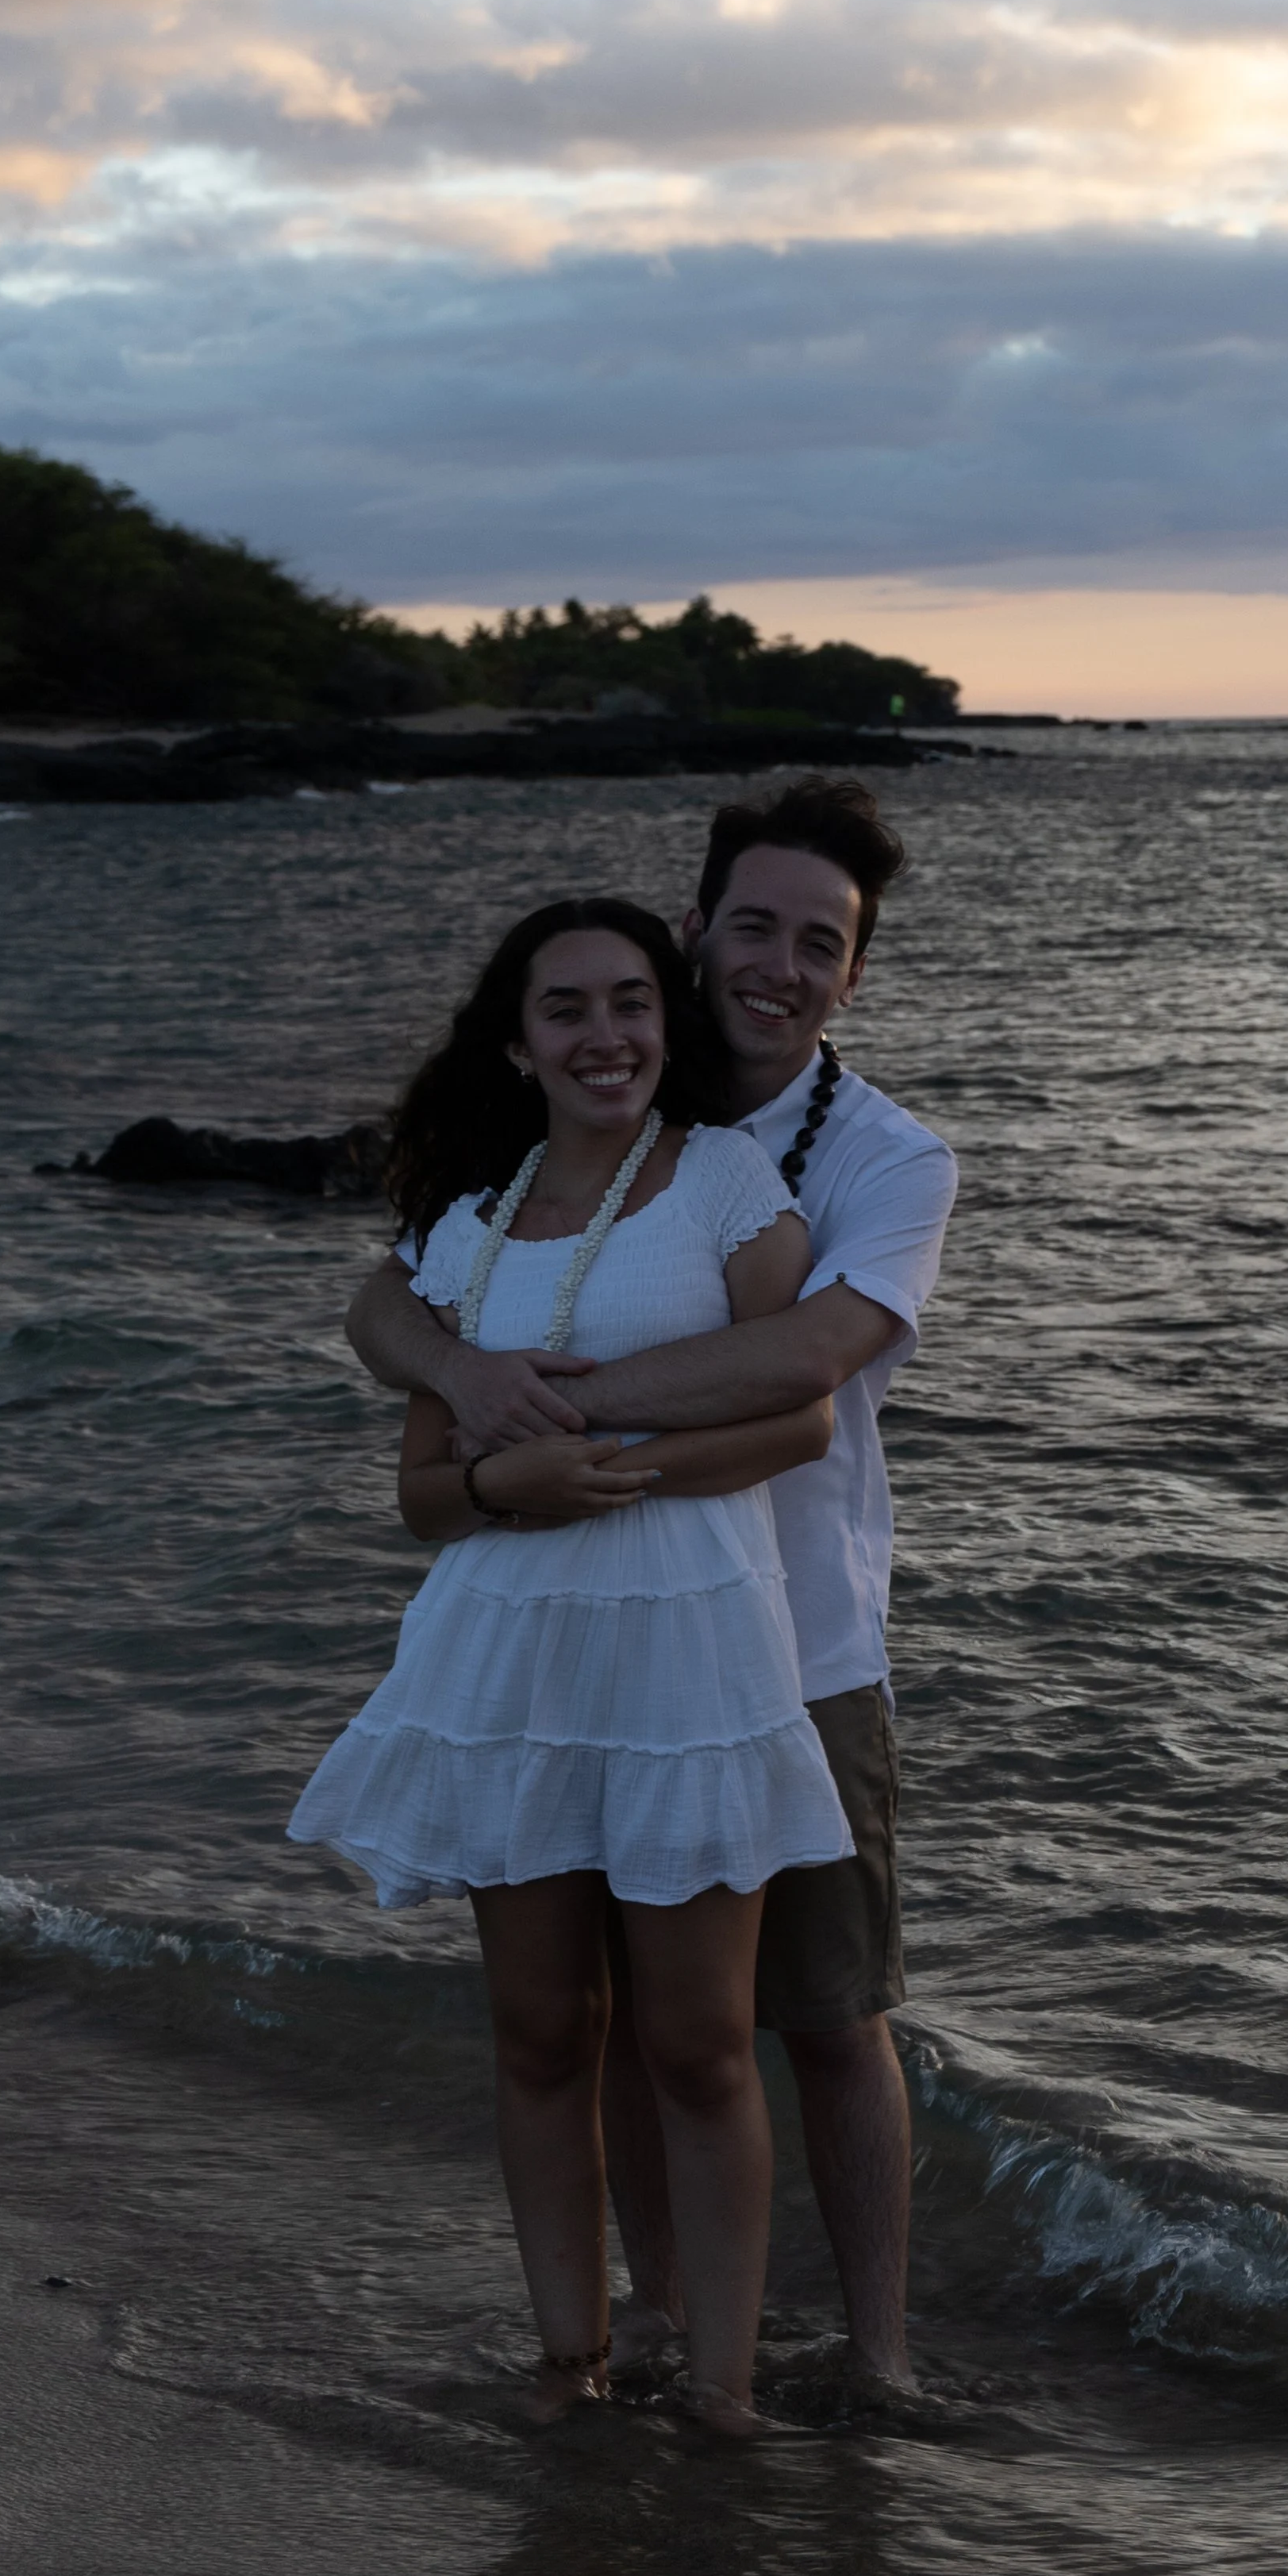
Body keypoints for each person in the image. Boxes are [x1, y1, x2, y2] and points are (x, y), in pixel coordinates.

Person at [344, 780, 958, 2393]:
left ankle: (880, 2360)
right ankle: (665, 2324)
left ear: (852, 973)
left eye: (817, 943)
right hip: (572, 1648)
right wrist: (462, 1382)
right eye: (752, 926)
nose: (778, 964)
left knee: (827, 2012)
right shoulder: (567, 1129)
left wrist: (548, 1420)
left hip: (797, 1634)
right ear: (697, 934)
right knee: (600, 2019)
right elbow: (391, 1297)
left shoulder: (880, 1158)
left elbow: (811, 1363)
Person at [290, 895, 854, 2432]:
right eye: (567, 1009)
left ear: (665, 1023)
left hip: (690, 1651)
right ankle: (571, 2358)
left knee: (696, 2041)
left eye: (630, 1003)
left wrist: (597, 1472)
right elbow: (423, 1496)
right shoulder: (464, 1226)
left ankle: (722, 2388)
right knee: (543, 2032)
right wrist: (500, 1484)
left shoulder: (723, 1181)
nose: (605, 1035)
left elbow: (802, 1416)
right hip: (509, 1664)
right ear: (515, 1042)